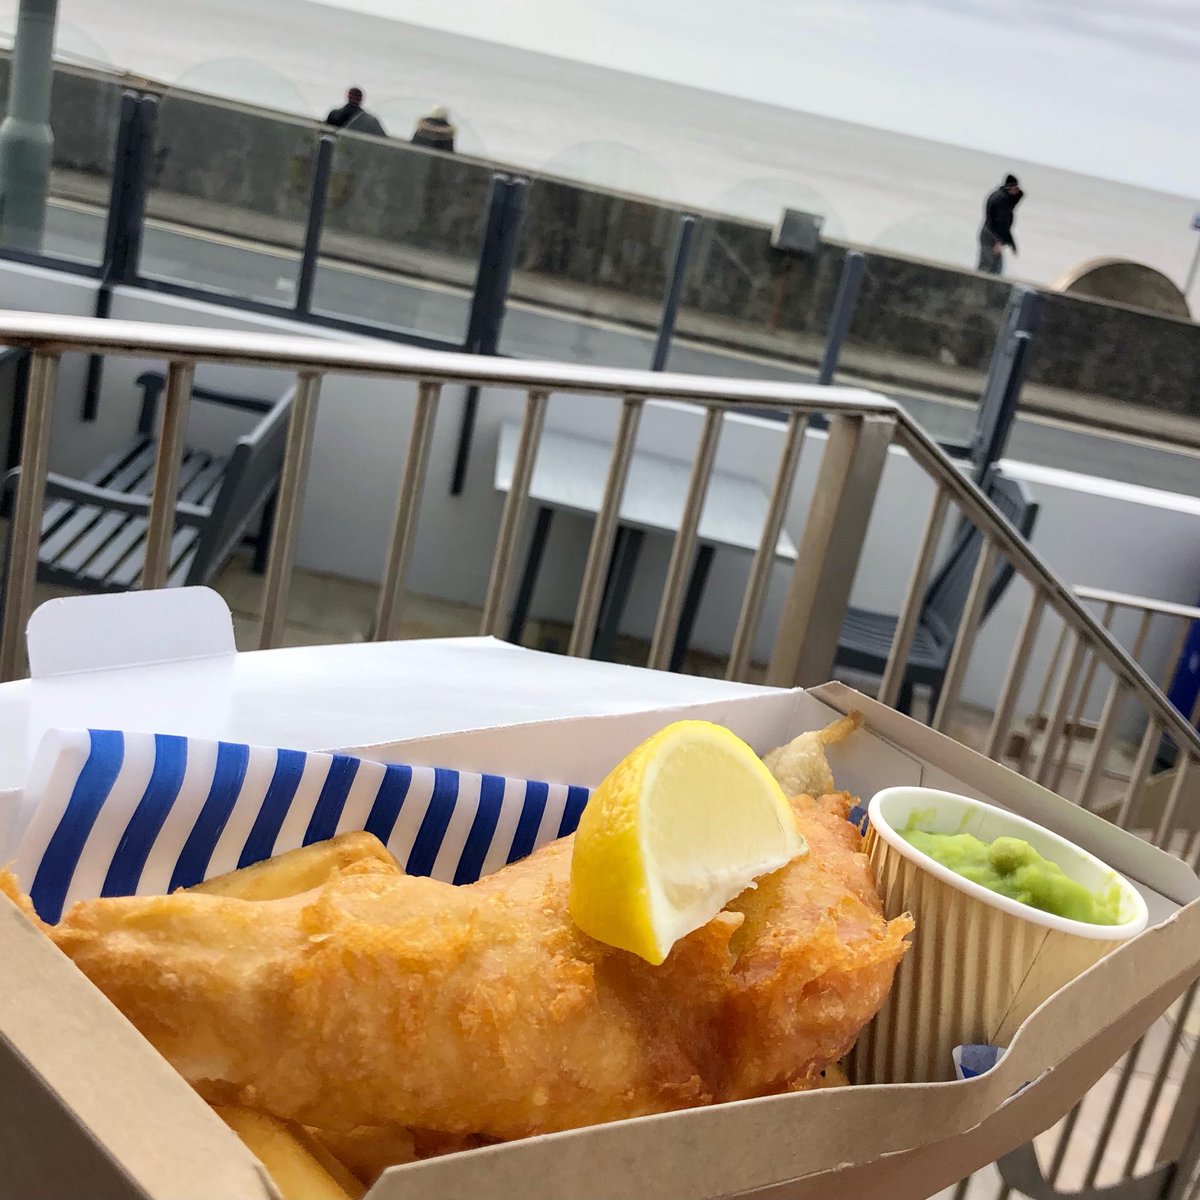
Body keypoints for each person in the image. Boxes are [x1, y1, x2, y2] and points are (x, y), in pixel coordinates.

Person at [977, 174, 1023, 275]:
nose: (1017, 193)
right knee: (989, 267)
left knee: (992, 266)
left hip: (988, 232)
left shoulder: (999, 196)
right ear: (1011, 188)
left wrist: (1011, 244)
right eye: (1016, 189)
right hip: (992, 235)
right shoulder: (1002, 201)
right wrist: (1000, 241)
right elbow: (1001, 223)